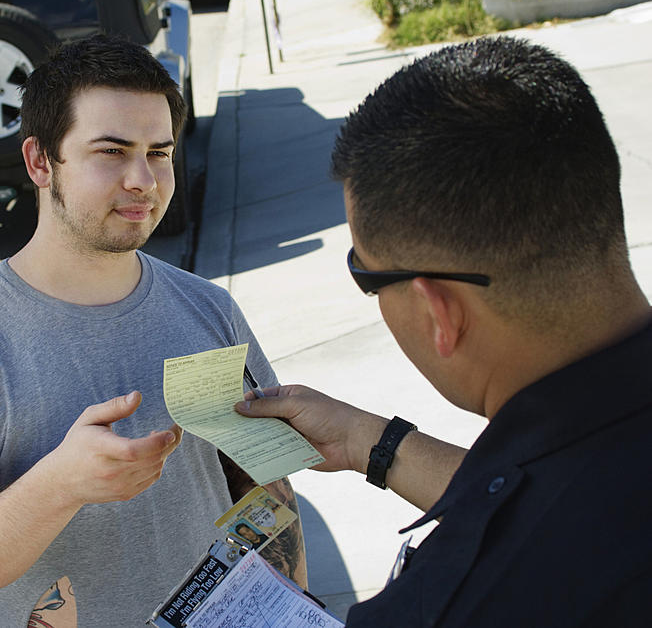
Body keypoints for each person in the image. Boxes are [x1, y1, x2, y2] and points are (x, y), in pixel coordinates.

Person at [0, 34, 306, 628]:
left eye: (159, 152)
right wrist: (62, 484)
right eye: (111, 151)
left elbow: (266, 485)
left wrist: (289, 611)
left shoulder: (209, 309)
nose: (144, 179)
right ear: (39, 162)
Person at [236, 36, 651, 626]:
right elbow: (562, 495)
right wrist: (367, 442)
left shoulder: (458, 604)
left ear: (440, 312)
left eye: (364, 272)